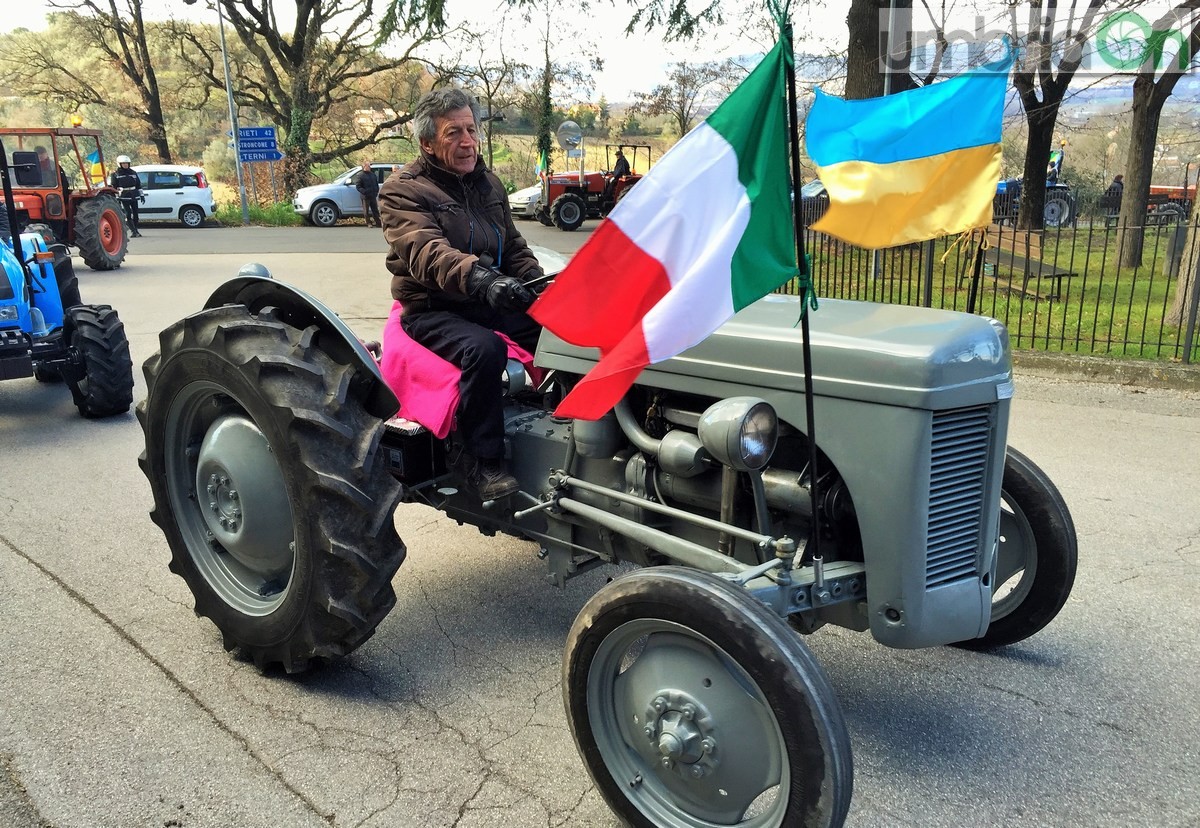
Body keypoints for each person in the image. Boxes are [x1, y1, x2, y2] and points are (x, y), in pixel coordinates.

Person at [379, 88, 543, 501]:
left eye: (471, 130)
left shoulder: (488, 183)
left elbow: (514, 245)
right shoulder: (401, 191)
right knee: (483, 350)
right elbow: (426, 253)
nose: (468, 141)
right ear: (427, 143)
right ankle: (482, 463)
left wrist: (537, 286)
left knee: (557, 329)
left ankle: (567, 421)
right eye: (454, 133)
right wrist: (483, 279)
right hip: (433, 308)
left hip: (488, 298)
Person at [109, 155, 143, 237]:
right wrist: (116, 196)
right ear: (119, 164)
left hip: (134, 195)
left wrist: (141, 195)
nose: (125, 165)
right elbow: (114, 186)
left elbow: (138, 185)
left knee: (136, 214)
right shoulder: (115, 174)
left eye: (127, 163)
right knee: (128, 214)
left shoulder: (133, 173)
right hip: (124, 196)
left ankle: (136, 230)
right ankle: (133, 231)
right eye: (123, 163)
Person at [355, 161, 382, 227]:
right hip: (365, 196)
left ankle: (378, 222)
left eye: (369, 166)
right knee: (366, 211)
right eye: (368, 166)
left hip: (373, 195)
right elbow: (358, 186)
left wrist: (376, 191)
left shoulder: (372, 174)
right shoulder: (360, 175)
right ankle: (368, 223)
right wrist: (364, 191)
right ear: (364, 167)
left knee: (375, 210)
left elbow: (376, 184)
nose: (369, 167)